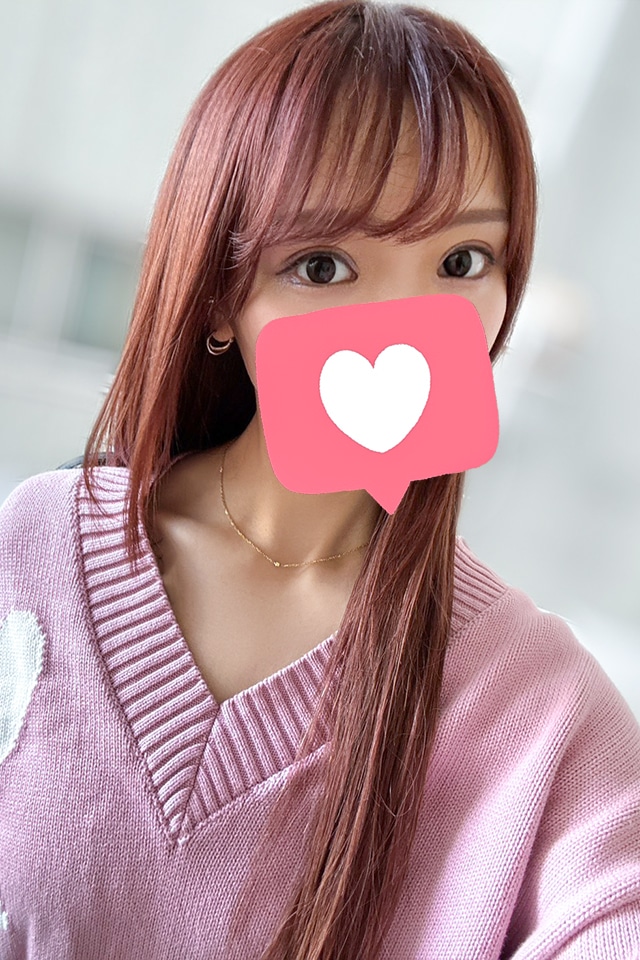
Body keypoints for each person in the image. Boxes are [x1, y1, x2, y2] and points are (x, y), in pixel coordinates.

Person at [0, 2, 638, 958]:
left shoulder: (541, 706)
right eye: (324, 265)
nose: (403, 324)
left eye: (461, 260)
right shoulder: (33, 550)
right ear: (221, 294)